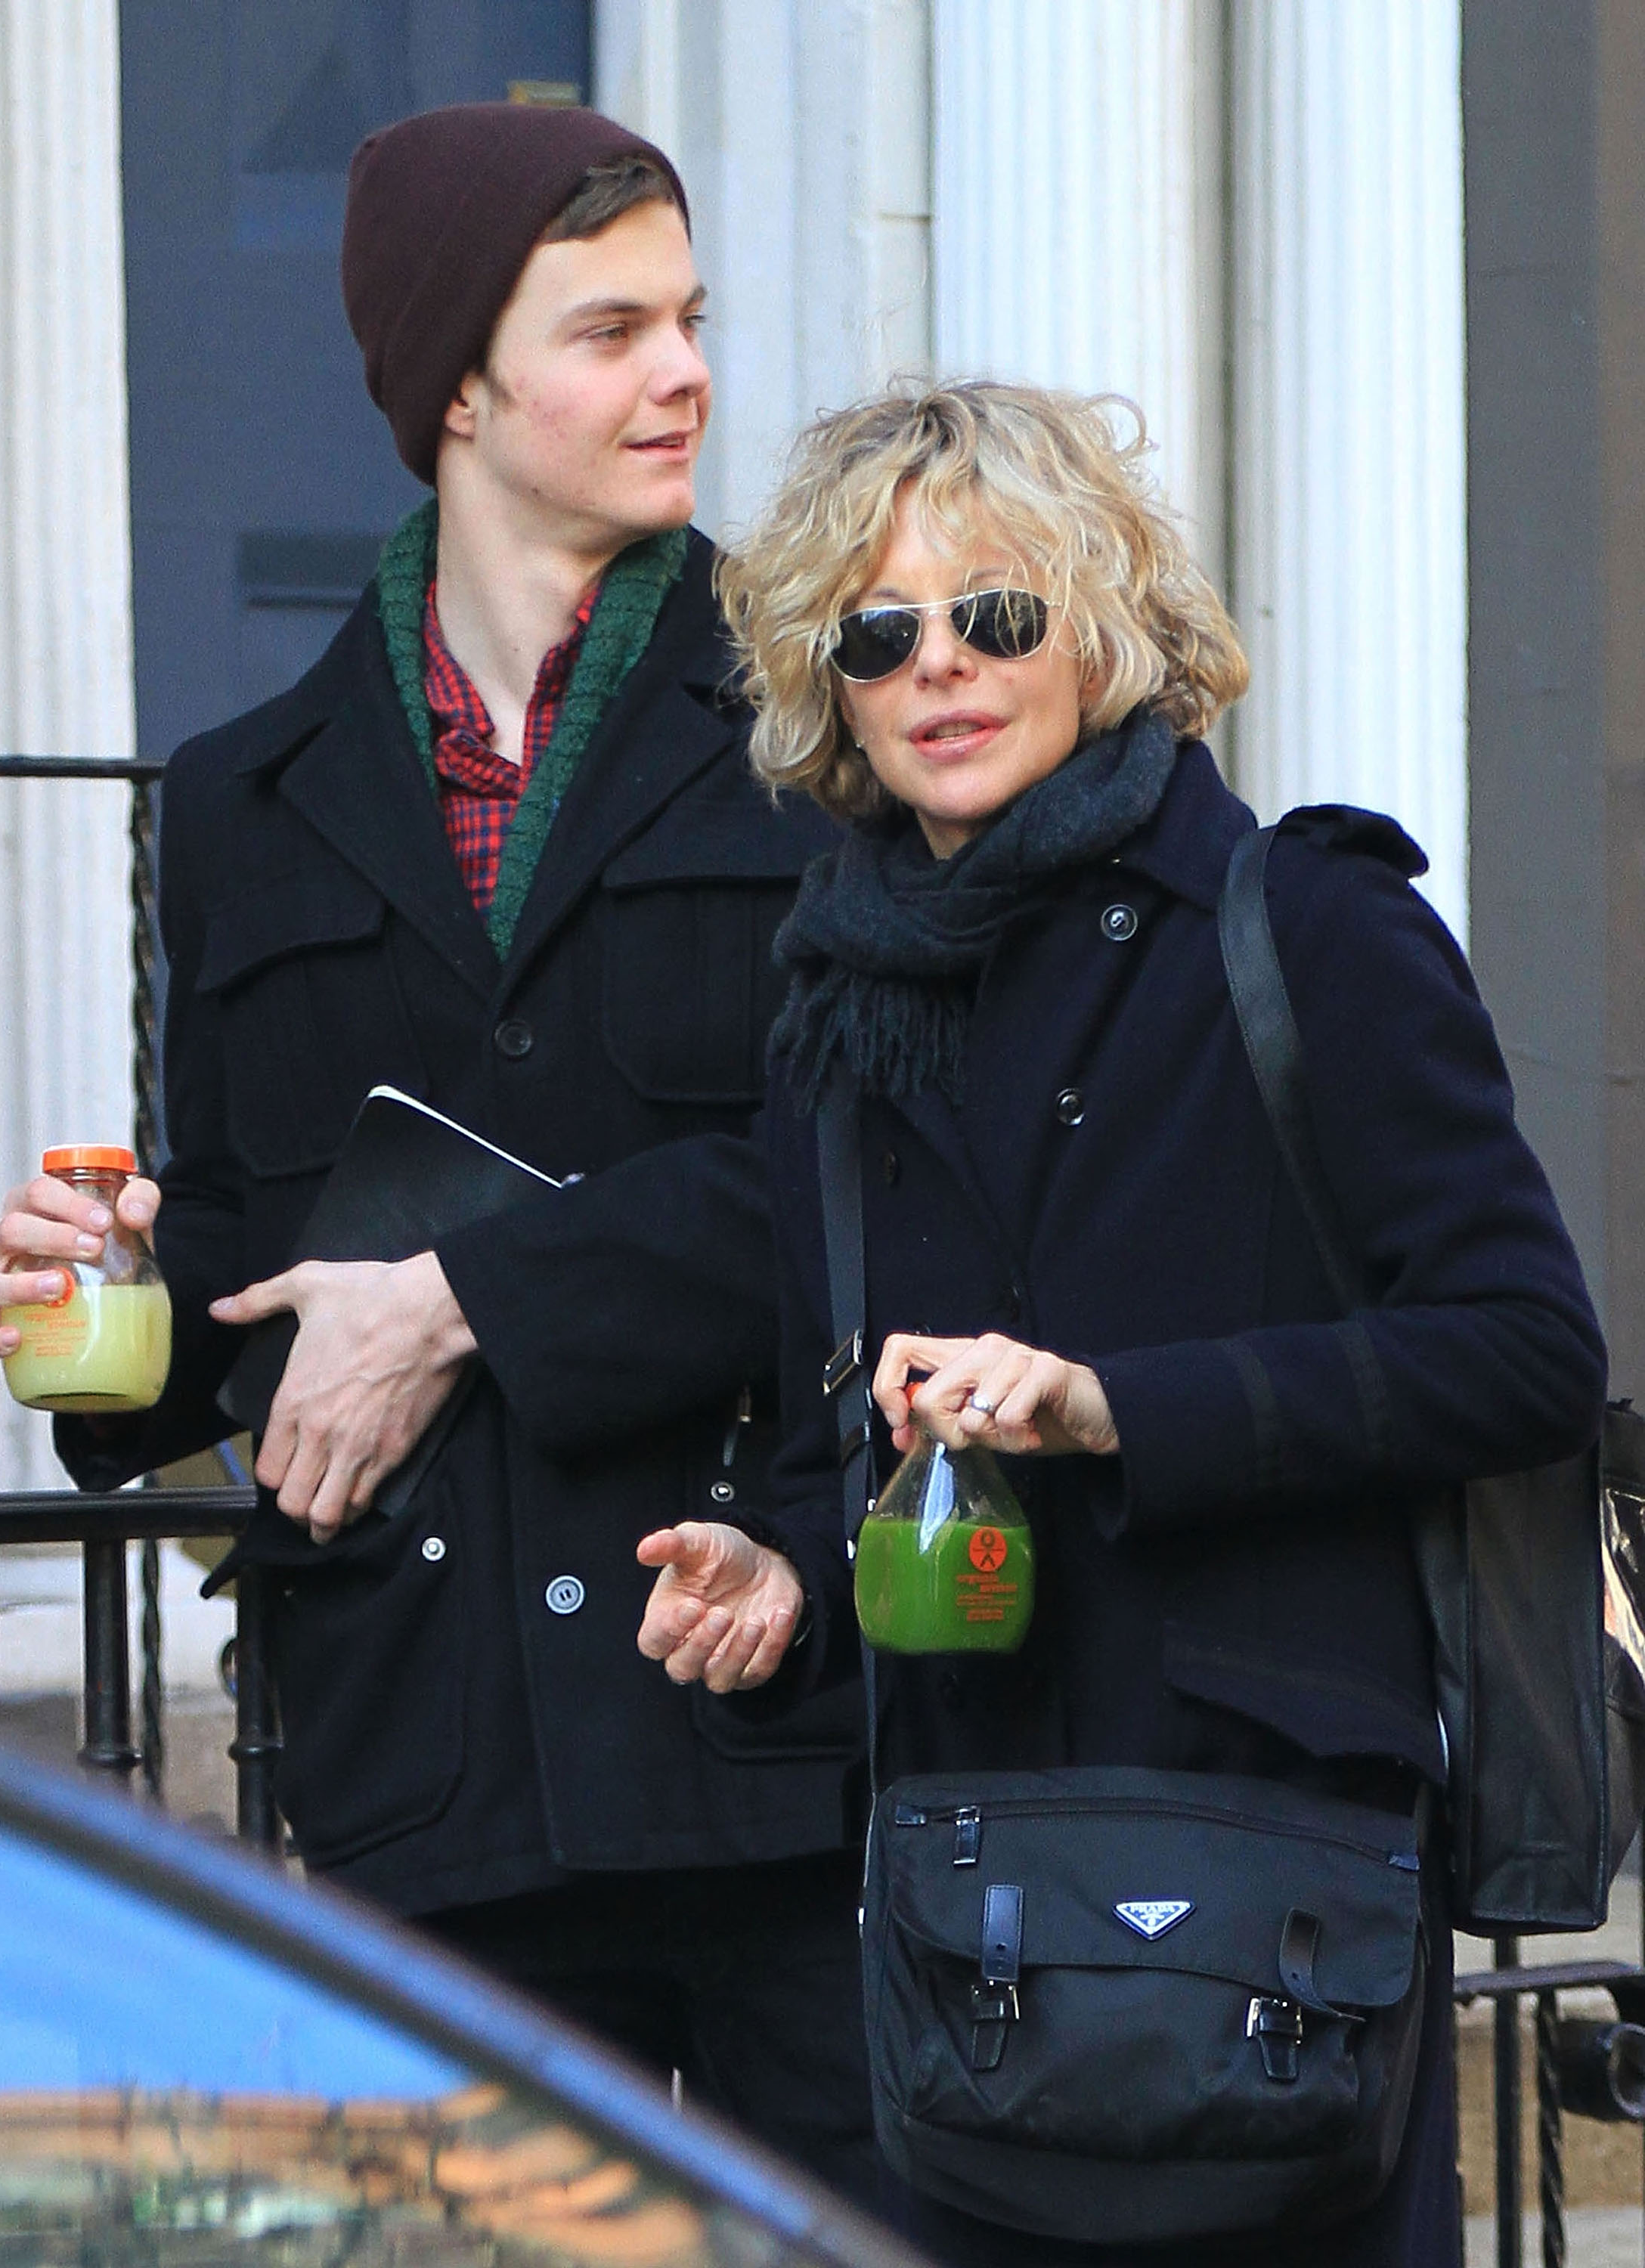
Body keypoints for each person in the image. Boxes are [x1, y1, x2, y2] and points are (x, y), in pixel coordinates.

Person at [0, 102, 875, 2201]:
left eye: (691, 319)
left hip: (764, 1716)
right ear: (456, 382)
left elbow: (877, 1192)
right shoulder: (243, 797)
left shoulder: (825, 736)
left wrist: (473, 1301)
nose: (686, 376)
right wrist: (107, 1284)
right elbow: (281, 1250)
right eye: (612, 329)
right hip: (424, 1752)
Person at [635, 380, 1609, 2263]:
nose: (942, 668)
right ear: (819, 683)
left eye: (995, 613)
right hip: (972, 1902)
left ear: (1098, 624)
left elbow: (1521, 1347)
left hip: (1265, 1892)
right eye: (877, 632)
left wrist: (1116, 1411)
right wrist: (781, 1582)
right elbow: (859, 1443)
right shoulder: (830, 1010)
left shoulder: (1300, 928)